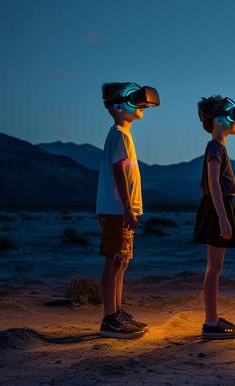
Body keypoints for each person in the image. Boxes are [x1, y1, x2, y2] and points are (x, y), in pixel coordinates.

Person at [96, 82, 157, 338]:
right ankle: (110, 318)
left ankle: (117, 312)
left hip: (121, 209)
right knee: (113, 261)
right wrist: (127, 209)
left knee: (121, 261)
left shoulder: (124, 134)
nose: (142, 107)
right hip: (116, 210)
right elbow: (120, 172)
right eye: (137, 102)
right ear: (118, 107)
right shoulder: (119, 134)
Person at [194, 95, 235, 339]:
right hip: (217, 208)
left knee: (215, 267)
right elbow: (214, 183)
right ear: (216, 121)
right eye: (229, 114)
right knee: (214, 268)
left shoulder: (219, 146)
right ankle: (211, 323)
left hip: (219, 207)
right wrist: (223, 218)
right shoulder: (214, 147)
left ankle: (213, 318)